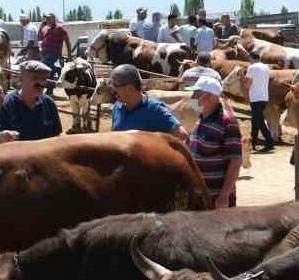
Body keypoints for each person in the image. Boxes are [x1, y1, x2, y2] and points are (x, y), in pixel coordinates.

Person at [186, 76, 242, 208]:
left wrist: (224, 195)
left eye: (196, 93)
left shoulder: (227, 122)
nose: (192, 96)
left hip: (216, 199)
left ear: (209, 96)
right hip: (199, 196)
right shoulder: (200, 119)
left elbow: (235, 161)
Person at [109, 64, 188, 141]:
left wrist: (147, 143)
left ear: (130, 88)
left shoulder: (155, 109)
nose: (112, 91)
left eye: (115, 87)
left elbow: (181, 135)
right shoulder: (117, 107)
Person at [0, 61, 62, 141]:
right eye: (35, 78)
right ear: (21, 78)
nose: (40, 83)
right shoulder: (8, 103)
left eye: (43, 79)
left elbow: (56, 135)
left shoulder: (49, 103)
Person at [244, 52, 274, 152]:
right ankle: (268, 142)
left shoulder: (251, 68)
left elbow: (248, 83)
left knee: (255, 121)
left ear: (252, 58)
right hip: (264, 97)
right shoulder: (266, 67)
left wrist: (246, 92)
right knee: (259, 120)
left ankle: (254, 143)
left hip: (255, 97)